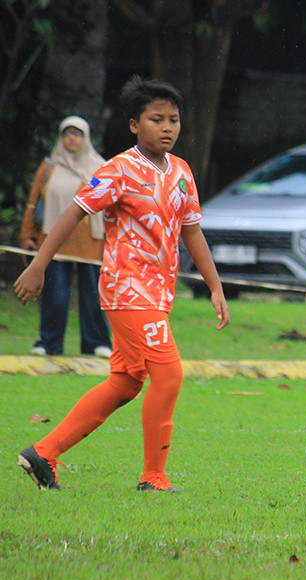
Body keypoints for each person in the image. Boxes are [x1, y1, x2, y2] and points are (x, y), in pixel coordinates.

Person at [13, 76, 230, 492]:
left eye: (174, 119)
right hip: (127, 290)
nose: (167, 127)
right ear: (134, 125)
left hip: (157, 294)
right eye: (156, 119)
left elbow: (193, 233)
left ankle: (44, 452)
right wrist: (39, 265)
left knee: (127, 382)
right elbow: (73, 214)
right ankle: (154, 477)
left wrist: (215, 287)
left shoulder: (182, 172)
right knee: (169, 375)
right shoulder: (119, 170)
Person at [19, 116, 112, 358]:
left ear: (86, 138)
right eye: (68, 133)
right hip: (53, 240)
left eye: (78, 133)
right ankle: (49, 343)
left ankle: (97, 342)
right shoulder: (50, 166)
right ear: (61, 137)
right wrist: (27, 234)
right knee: (55, 293)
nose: (72, 138)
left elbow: (107, 203)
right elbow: (33, 203)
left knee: (93, 293)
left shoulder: (99, 167)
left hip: (90, 240)